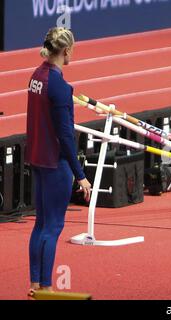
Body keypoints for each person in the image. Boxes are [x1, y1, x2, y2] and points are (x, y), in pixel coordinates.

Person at [25, 27, 92, 297]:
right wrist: (80, 175)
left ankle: (35, 283)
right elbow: (65, 136)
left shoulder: (36, 76)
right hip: (55, 163)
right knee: (52, 226)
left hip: (37, 158)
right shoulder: (61, 87)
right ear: (66, 51)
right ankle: (48, 287)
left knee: (41, 223)